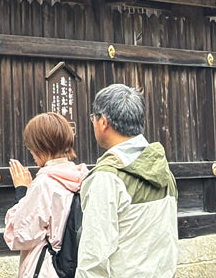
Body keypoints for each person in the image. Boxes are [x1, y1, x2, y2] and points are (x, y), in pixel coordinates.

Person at [77, 84, 179, 278]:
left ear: (103, 122)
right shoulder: (164, 171)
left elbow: (93, 257)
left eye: (93, 118)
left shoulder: (107, 177)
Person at [4, 111, 88, 278]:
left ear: (41, 147)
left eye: (31, 148)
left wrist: (22, 191)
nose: (32, 154)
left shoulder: (44, 184)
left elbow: (20, 235)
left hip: (49, 269)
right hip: (76, 266)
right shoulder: (83, 177)